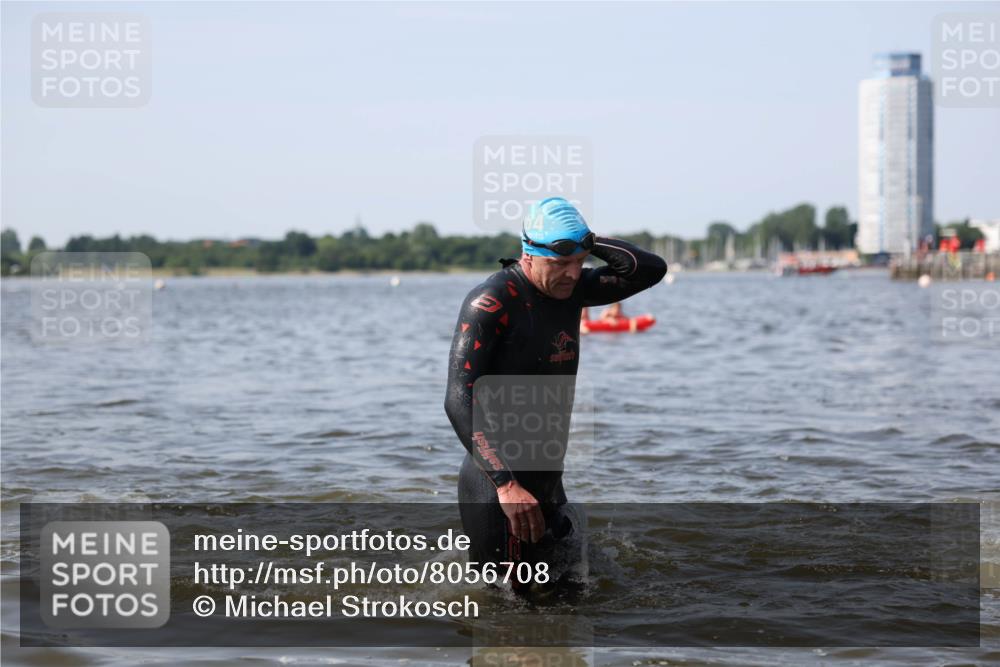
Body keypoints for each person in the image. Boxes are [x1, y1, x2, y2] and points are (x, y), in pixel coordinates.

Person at [444, 197, 667, 586]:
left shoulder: (574, 290)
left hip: (547, 480)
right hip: (498, 487)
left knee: (569, 601)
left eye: (579, 262)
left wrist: (588, 241)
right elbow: (458, 400)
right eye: (560, 263)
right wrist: (506, 485)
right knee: (508, 613)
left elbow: (650, 269)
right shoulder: (491, 304)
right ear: (528, 256)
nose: (572, 273)